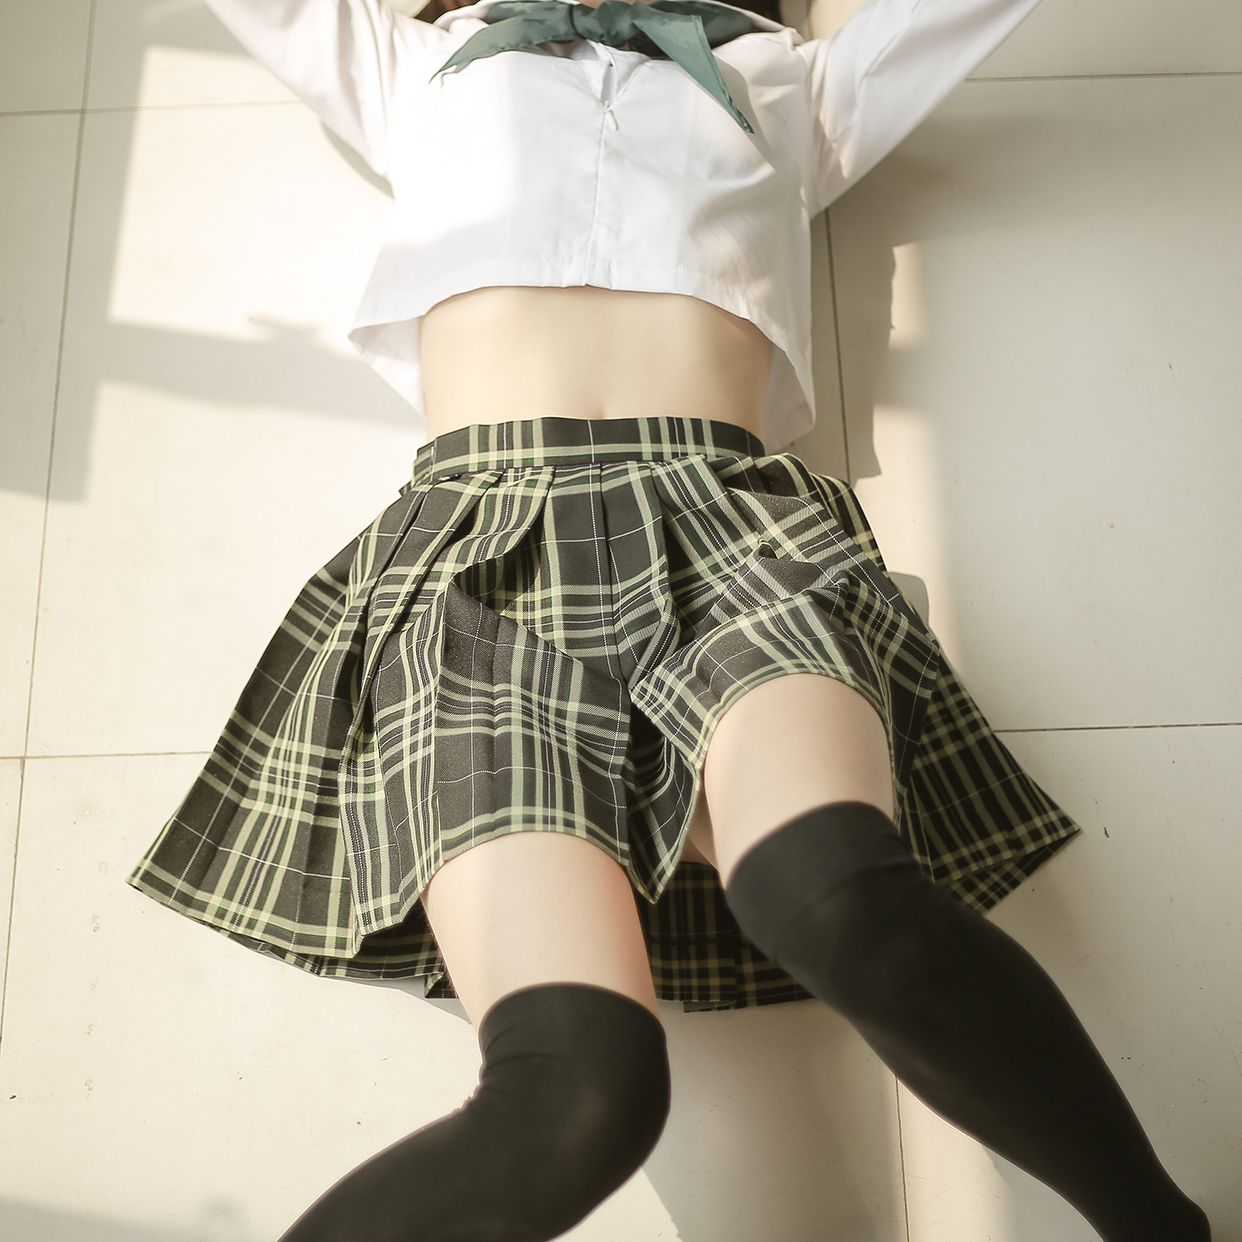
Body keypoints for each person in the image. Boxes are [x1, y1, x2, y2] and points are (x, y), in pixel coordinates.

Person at [125, 0, 1214, 1238]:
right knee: (579, 1090)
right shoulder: (416, 65)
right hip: (481, 564)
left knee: (837, 896)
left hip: (728, 530)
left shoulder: (788, 84)